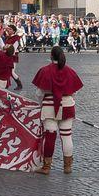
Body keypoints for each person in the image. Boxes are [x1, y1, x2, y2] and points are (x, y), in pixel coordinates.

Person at [32, 46, 83, 175]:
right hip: (67, 106)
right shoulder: (70, 71)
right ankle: (67, 166)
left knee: (50, 136)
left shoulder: (44, 71)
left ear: (51, 56)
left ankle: (46, 167)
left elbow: (39, 93)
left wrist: (40, 104)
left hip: (49, 107)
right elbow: (74, 91)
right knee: (67, 136)